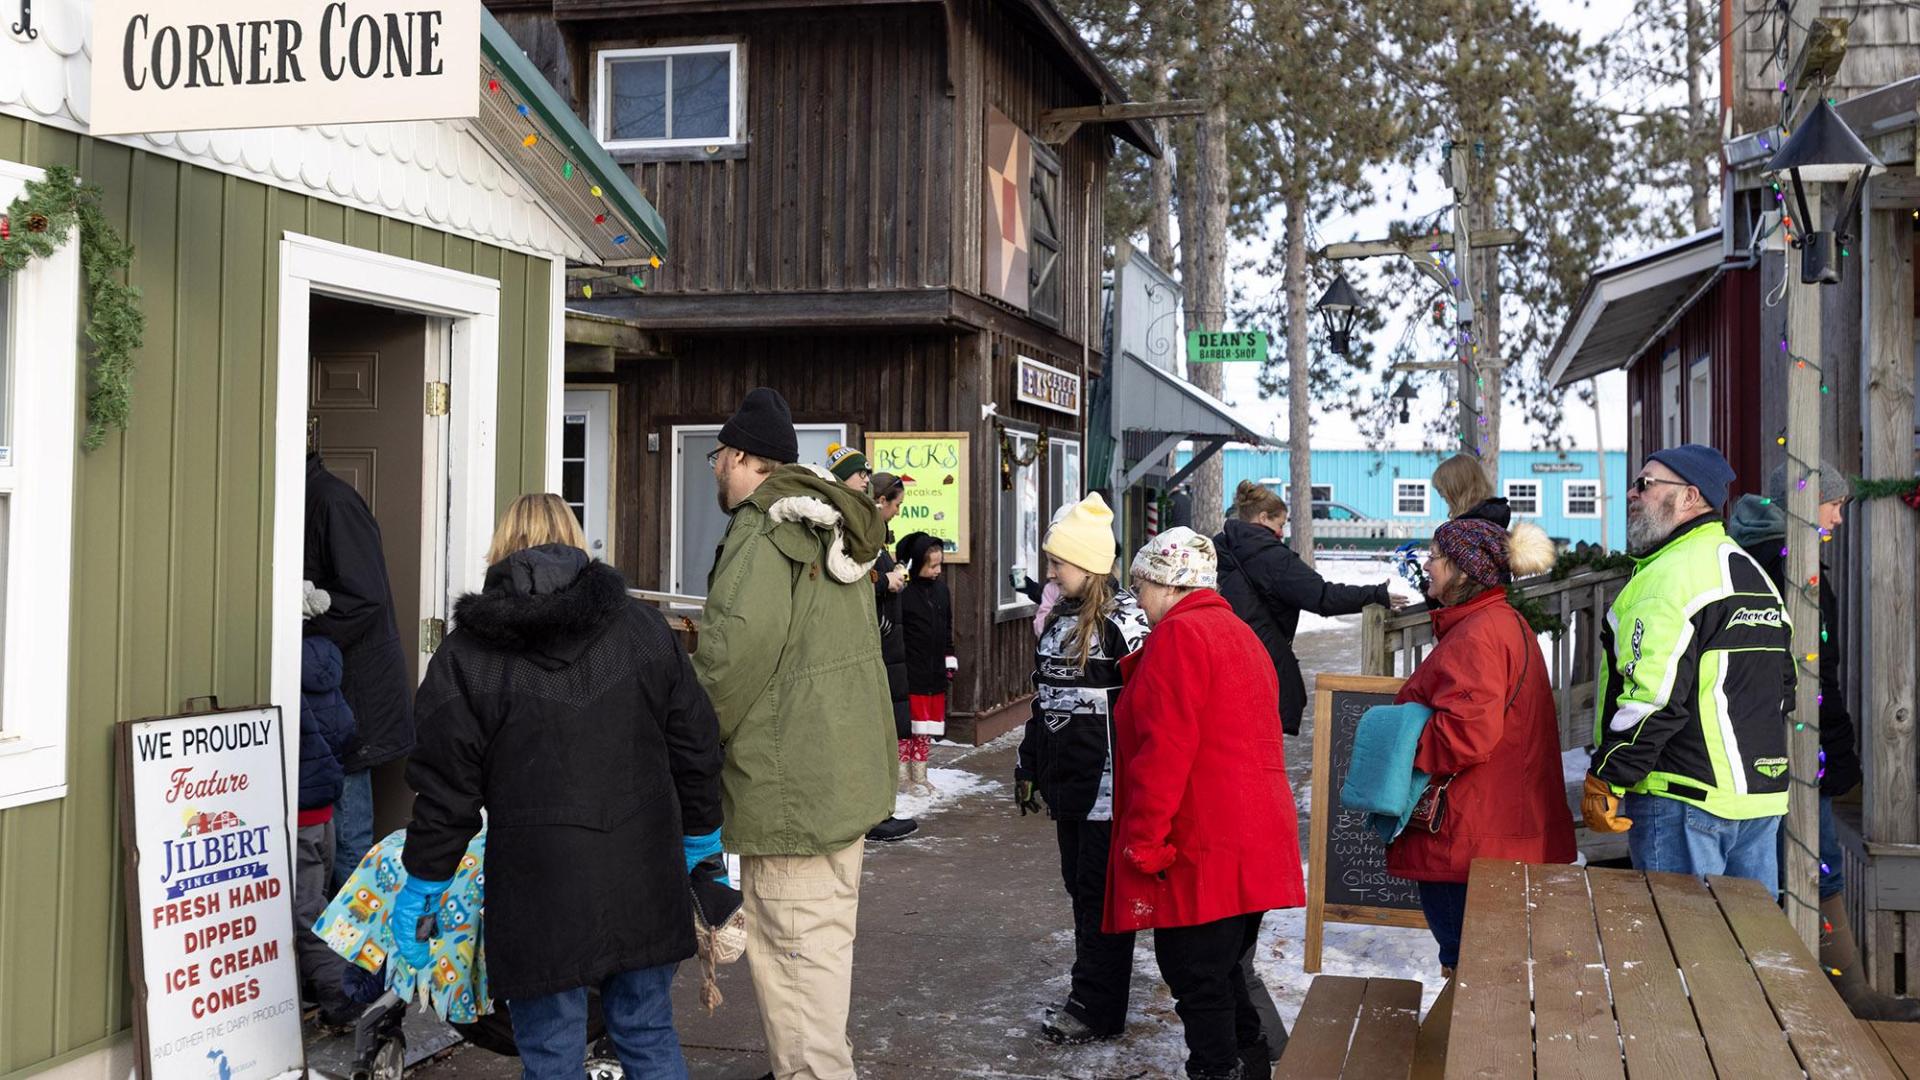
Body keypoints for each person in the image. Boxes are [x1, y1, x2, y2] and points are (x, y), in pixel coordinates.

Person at [392, 494, 725, 1080]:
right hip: (643, 872)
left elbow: (447, 791)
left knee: (551, 1054)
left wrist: (425, 884)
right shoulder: (645, 630)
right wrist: (702, 841)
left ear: (501, 550)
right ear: (576, 543)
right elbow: (696, 746)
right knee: (647, 1032)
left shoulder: (467, 654)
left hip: (537, 888)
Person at [694, 387, 895, 1080]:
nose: (713, 466)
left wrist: (683, 741)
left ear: (745, 457)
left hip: (790, 795)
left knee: (797, 971)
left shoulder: (764, 531)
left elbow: (729, 662)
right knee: (821, 962)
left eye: (718, 455)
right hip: (840, 783)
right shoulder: (834, 525)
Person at [1108, 527, 1304, 1080]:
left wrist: (1145, 842)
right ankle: (1250, 1064)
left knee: (1196, 975)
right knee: (1222, 972)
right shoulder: (1238, 633)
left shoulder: (1180, 637)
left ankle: (1219, 1070)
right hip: (1252, 840)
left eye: (1142, 586)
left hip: (1206, 841)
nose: (1139, 601)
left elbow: (1164, 753)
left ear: (1168, 584)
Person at [1730, 463, 1917, 1020]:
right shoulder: (1793, 569)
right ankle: (1843, 996)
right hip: (1792, 746)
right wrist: (1836, 757)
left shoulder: (1755, 556)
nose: (1838, 515)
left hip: (1766, 743)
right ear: (1807, 505)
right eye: (1834, 504)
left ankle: (1820, 994)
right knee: (1815, 862)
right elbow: (1813, 677)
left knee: (1793, 862)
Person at [1584, 445, 1794, 894]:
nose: (1631, 494)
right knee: (1751, 953)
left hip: (1684, 802)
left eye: (1645, 483)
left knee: (1684, 954)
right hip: (1760, 800)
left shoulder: (1668, 579)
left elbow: (1650, 701)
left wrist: (1607, 775)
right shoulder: (1752, 574)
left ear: (1689, 497)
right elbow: (1785, 686)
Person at [1387, 517, 1571, 980]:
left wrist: (1400, 743)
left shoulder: (1478, 634)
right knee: (1486, 970)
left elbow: (1467, 734)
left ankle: (1472, 1054)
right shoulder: (1497, 623)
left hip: (1469, 839)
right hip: (1493, 830)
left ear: (1463, 571)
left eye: (1435, 556)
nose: (1427, 565)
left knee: (1470, 972)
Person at [1015, 493, 1152, 1046]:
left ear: (1090, 564)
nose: (1050, 571)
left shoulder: (1127, 624)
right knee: (1079, 887)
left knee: (1099, 893)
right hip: (1066, 782)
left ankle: (1096, 1005)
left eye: (1058, 562)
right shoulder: (1058, 621)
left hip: (1110, 786)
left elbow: (1153, 704)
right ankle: (1089, 994)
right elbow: (1043, 700)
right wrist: (1028, 763)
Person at [1214, 479, 1404, 737]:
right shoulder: (1272, 557)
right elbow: (1322, 596)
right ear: (1262, 518)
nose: (1282, 532)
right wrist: (1375, 594)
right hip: (1260, 665)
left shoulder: (1221, 550)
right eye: (1280, 524)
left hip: (1224, 663)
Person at [305, 451, 415, 888]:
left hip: (353, 700)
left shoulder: (332, 502)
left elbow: (364, 596)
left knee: (348, 842)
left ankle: (359, 956)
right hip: (329, 700)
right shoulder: (307, 499)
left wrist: (301, 638)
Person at [295, 585, 360, 1028]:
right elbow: (347, 731)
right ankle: (323, 983)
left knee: (304, 909)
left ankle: (342, 996)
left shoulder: (283, 671)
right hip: (323, 812)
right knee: (318, 900)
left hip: (295, 813)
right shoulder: (328, 668)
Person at [863, 471, 919, 843]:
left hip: (888, 645)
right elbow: (856, 581)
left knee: (885, 730)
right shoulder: (864, 538)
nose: (898, 511)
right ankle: (874, 814)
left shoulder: (879, 540)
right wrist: (888, 581)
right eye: (896, 503)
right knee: (875, 730)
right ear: (881, 501)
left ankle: (882, 810)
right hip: (878, 647)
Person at [897, 531, 954, 794]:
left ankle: (921, 775)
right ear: (917, 564)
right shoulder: (905, 595)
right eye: (932, 565)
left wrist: (949, 662)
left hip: (935, 673)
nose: (938, 570)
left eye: (940, 564)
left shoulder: (942, 592)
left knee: (925, 730)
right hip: (912, 672)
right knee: (907, 729)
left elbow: (948, 630)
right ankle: (902, 778)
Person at [1431, 453, 1511, 527]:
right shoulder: (1495, 516)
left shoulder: (1463, 528)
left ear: (1458, 488)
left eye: (1442, 490)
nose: (1441, 495)